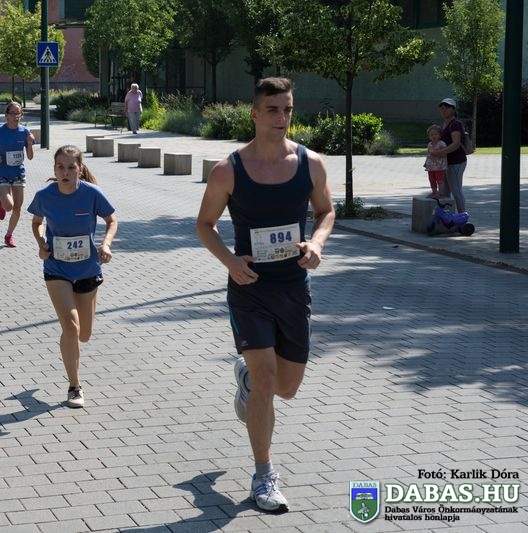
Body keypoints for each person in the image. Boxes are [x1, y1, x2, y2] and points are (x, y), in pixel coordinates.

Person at [195, 77, 335, 512]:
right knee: (267, 382)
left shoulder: (310, 163)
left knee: (286, 388)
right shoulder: (228, 170)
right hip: (249, 289)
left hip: (293, 288)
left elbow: (326, 211)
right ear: (254, 114)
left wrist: (317, 243)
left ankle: (247, 379)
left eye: (288, 109)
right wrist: (229, 262)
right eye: (273, 109)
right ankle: (263, 475)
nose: (282, 117)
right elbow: (204, 224)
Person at [27, 145, 118, 409]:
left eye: (70, 167)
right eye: (60, 167)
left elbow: (112, 220)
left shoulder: (91, 194)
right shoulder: (45, 195)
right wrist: (41, 243)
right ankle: (75, 387)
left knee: (84, 334)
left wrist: (106, 244)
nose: (65, 172)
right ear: (54, 169)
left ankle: (71, 343)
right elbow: (36, 222)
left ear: (80, 169)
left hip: (88, 269)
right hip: (57, 268)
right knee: (71, 326)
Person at [0, 101, 35, 247]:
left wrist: (30, 143)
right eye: (12, 113)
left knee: (17, 208)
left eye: (18, 113)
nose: (16, 116)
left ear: (21, 115)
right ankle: (3, 202)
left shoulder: (25, 132)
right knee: (9, 206)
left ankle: (9, 235)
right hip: (2, 172)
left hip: (18, 172)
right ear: (6, 115)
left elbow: (30, 157)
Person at [429, 97, 468, 213]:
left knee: (456, 190)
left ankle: (462, 215)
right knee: (444, 192)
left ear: (453, 109)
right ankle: (447, 215)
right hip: (446, 163)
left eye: (447, 107)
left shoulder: (455, 124)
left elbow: (456, 144)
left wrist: (439, 153)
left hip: (456, 161)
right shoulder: (445, 124)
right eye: (442, 108)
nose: (444, 110)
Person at [424, 124, 447, 199]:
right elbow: (428, 154)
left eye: (436, 134)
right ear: (429, 136)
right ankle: (434, 192)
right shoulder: (429, 144)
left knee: (439, 180)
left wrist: (438, 154)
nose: (433, 136)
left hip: (439, 166)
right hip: (430, 166)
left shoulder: (441, 144)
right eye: (431, 135)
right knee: (432, 179)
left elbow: (445, 153)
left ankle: (441, 193)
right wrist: (426, 162)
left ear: (440, 135)